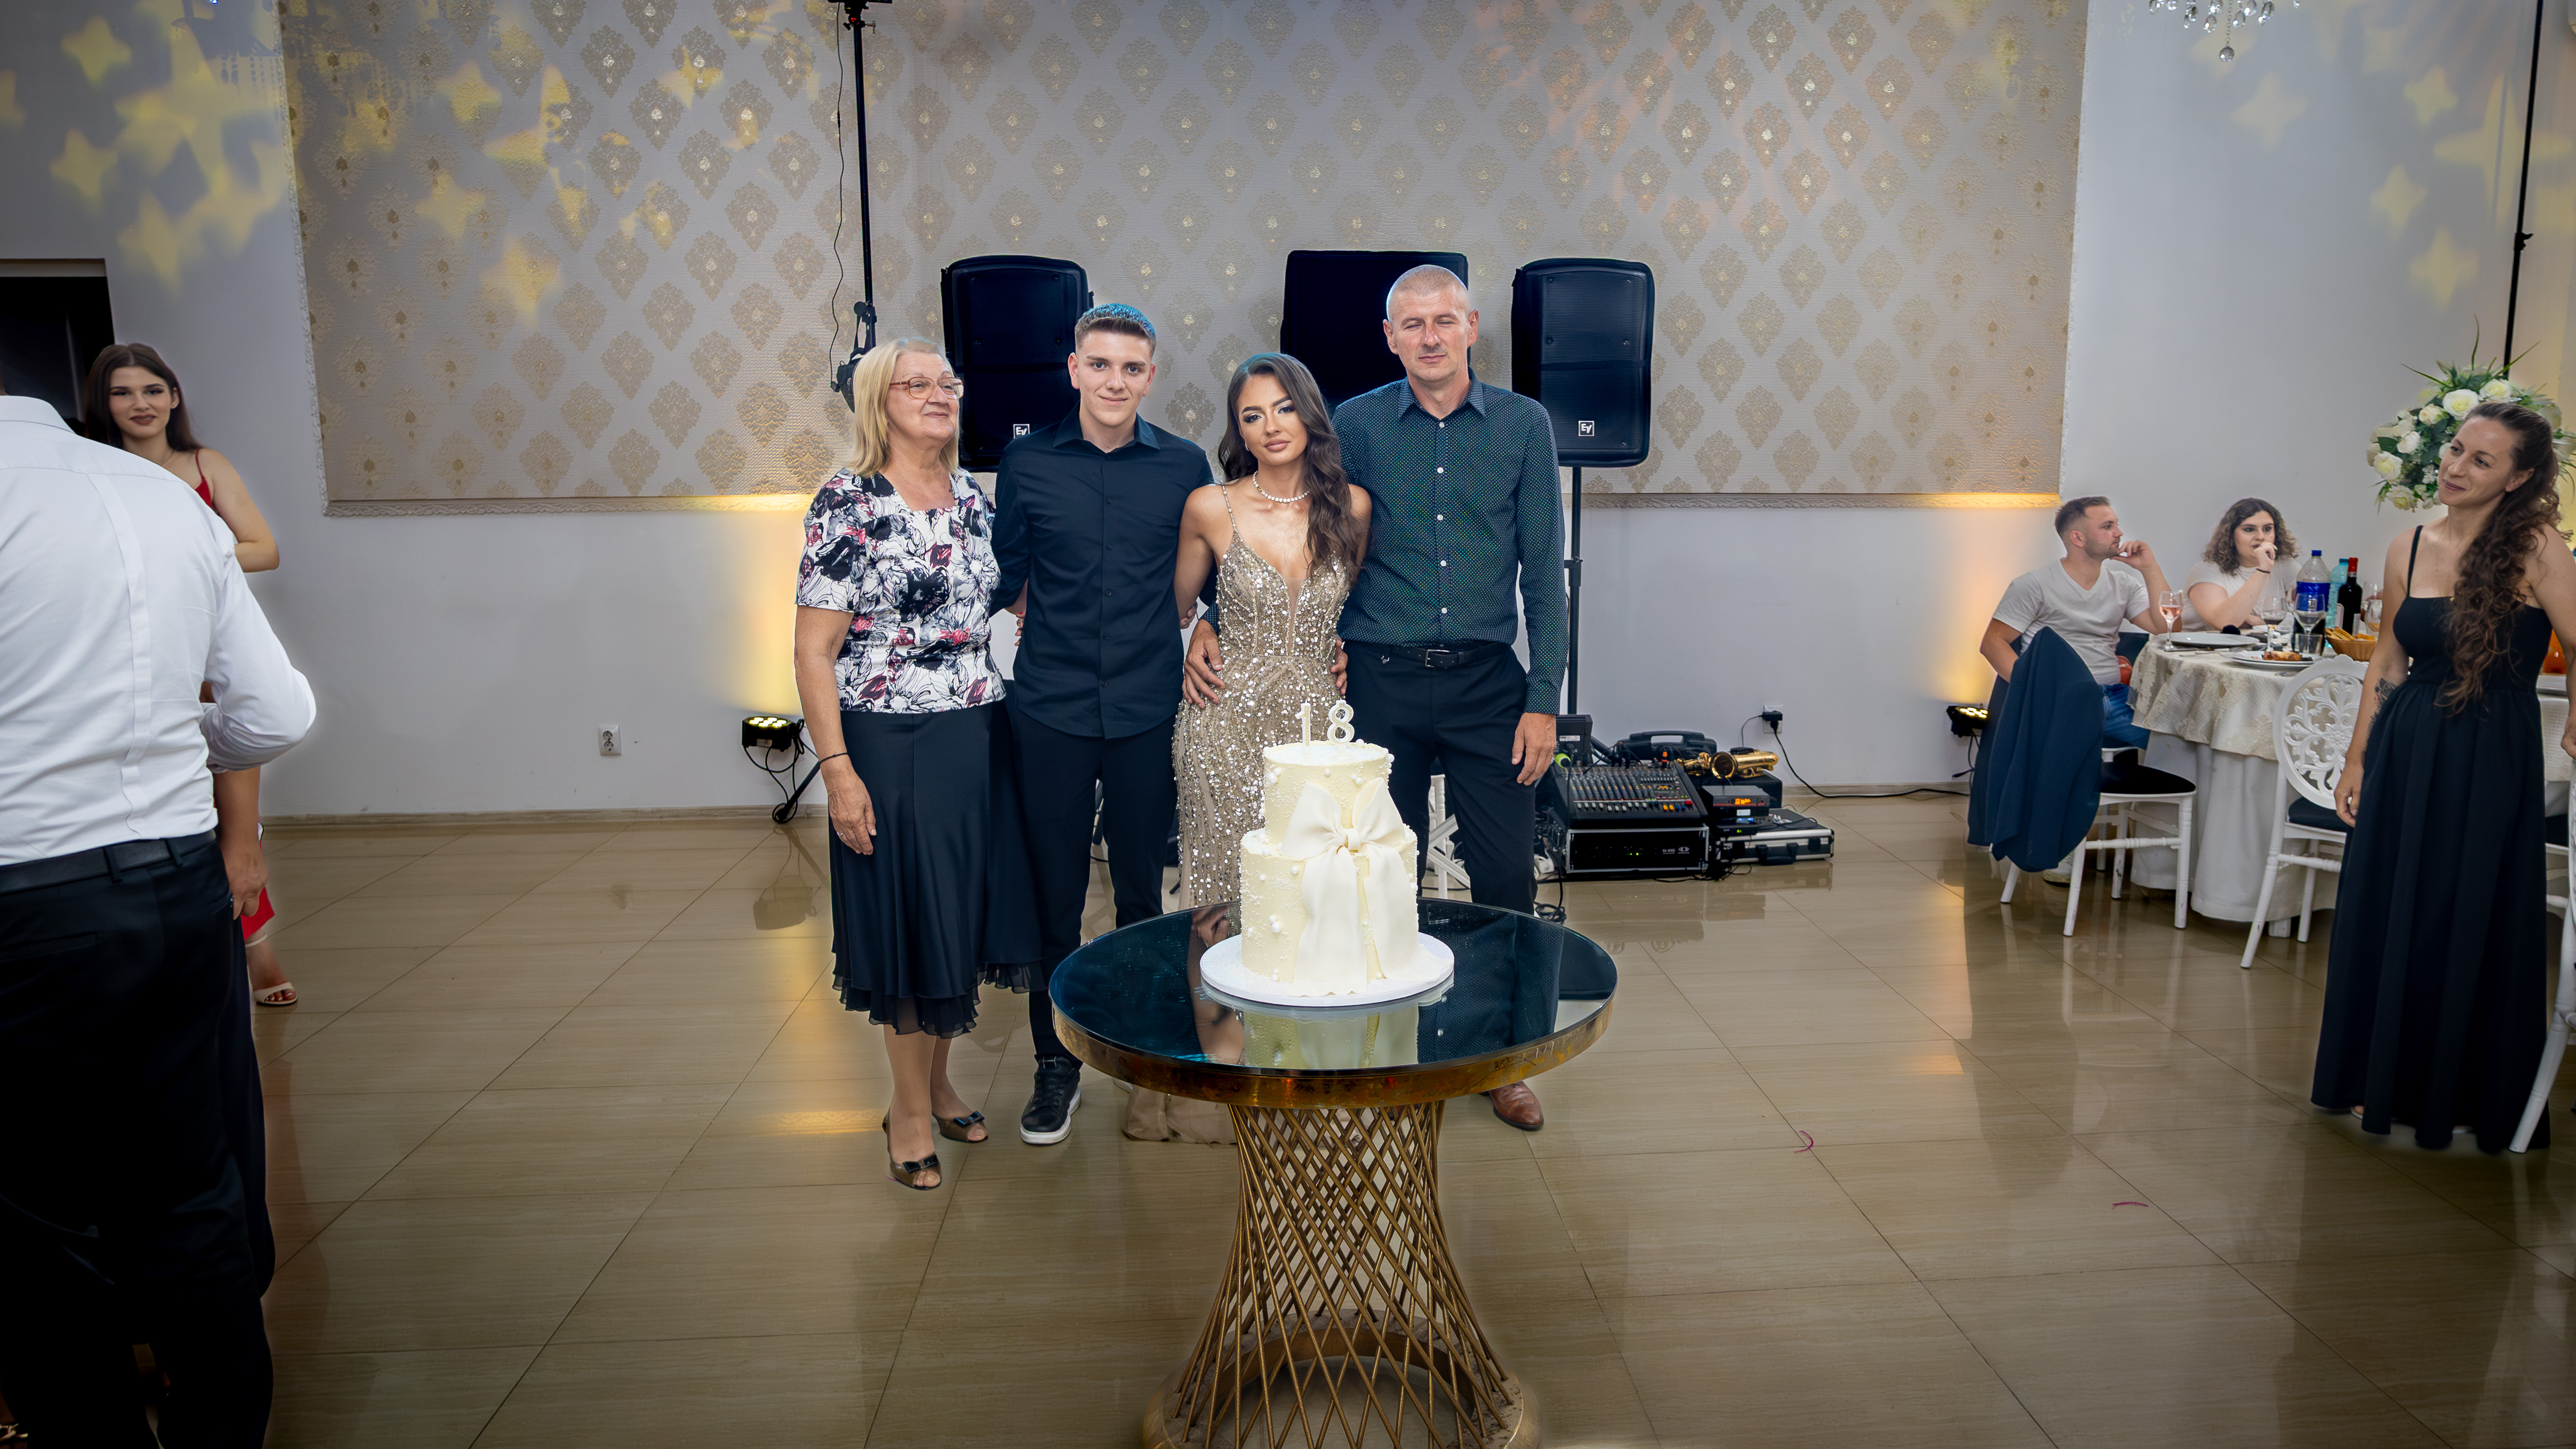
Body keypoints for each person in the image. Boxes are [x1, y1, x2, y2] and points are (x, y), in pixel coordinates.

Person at [0, 379, 314, 1446]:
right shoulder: (159, 497)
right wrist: (159, 748)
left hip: (21, 903)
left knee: (35, 1212)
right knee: (189, 1182)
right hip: (176, 889)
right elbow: (274, 712)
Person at [1193, 265, 1564, 1132]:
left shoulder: (1523, 425)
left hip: (1487, 683)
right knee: (1370, 877)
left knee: (1506, 877)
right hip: (1373, 682)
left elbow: (1545, 573)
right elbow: (1284, 519)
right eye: (1412, 324)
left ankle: (1502, 1059)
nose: (1430, 336)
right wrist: (1212, 615)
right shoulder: (1355, 425)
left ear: (1472, 325)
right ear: (1389, 337)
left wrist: (1543, 697)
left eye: (1444, 320)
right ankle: (1384, 1053)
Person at [792, 338, 1036, 1191]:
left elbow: (1004, 597)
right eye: (917, 384)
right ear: (878, 401)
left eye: (948, 382)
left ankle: (937, 1084)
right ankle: (905, 1109)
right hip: (889, 740)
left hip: (977, 730)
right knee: (910, 921)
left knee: (954, 919)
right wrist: (837, 769)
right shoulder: (849, 499)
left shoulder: (971, 494)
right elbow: (813, 651)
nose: (940, 394)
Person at [2313, 402, 2576, 1153]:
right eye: (2456, 449)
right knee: (2388, 906)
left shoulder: (2536, 545)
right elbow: (2387, 660)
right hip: (2406, 745)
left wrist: (2575, 724)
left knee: (2461, 910)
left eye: (2481, 460)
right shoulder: (2409, 544)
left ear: (2519, 477)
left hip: (2489, 750)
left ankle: (2456, 1091)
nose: (2456, 467)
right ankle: (2380, 1078)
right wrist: (2357, 758)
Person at [991, 303, 1212, 1146]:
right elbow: (1005, 573)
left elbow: (1219, 570)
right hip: (1048, 708)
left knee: (1141, 896)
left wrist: (1216, 625)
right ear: (1074, 369)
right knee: (1054, 898)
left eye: (1131, 367)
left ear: (1149, 377)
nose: (1115, 380)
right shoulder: (1027, 461)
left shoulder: (1184, 465)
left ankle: (1143, 1051)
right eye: (1100, 364)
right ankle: (1056, 1064)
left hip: (1147, 707)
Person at [85, 343, 297, 1008]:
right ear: (103, 403)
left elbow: (264, 548)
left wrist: (174, 557)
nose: (140, 404)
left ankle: (257, 946)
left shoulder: (205, 465)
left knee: (230, 802)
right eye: (123, 392)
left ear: (174, 397)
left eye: (153, 390)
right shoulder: (94, 468)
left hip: (200, 636)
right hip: (121, 645)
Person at [1170, 353, 1372, 901]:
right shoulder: (1210, 507)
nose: (1271, 426)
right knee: (1220, 900)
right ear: (1240, 431)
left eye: (1284, 409)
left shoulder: (1352, 507)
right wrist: (1203, 625)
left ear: (1309, 413)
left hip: (1316, 725)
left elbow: (1343, 605)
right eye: (1252, 416)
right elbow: (1173, 608)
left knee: (1310, 895)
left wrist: (1340, 643)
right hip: (1222, 721)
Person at [1979, 495, 2176, 750]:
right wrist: (2033, 691)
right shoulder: (2034, 585)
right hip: (2063, 701)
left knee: (2174, 748)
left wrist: (2150, 569)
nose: (2119, 533)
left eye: (2116, 525)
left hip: (2115, 697)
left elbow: (2166, 628)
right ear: (2078, 538)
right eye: (2108, 526)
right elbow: (1992, 643)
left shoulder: (2123, 585)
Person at [2179, 497, 2293, 631]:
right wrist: (2263, 570)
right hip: (2198, 644)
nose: (2261, 537)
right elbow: (2226, 623)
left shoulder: (2286, 566)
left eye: (2268, 529)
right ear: (2231, 535)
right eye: (2249, 530)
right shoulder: (2206, 570)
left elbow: (2309, 616)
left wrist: (2256, 621)